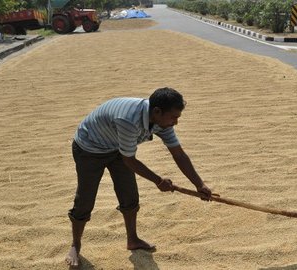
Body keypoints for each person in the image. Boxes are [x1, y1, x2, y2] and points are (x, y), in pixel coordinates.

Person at [65, 87, 212, 267]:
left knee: (129, 194)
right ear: (157, 111)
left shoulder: (161, 121)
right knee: (86, 199)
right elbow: (130, 160)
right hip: (89, 148)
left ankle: (132, 240)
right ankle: (76, 244)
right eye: (174, 117)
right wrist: (158, 181)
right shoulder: (128, 119)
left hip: (117, 148)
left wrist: (199, 185)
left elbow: (179, 154)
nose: (176, 122)